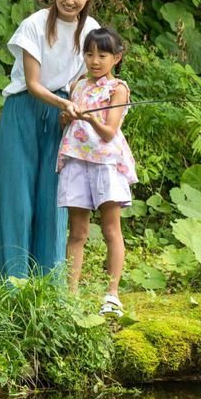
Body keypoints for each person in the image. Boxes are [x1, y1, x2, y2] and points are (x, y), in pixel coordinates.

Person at [0, 0, 100, 284]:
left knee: (53, 196)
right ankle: (9, 279)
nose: (70, 0)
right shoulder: (33, 24)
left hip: (60, 116)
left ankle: (48, 282)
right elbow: (33, 83)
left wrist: (80, 107)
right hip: (24, 109)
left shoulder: (90, 32)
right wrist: (65, 102)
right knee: (16, 194)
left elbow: (80, 80)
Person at [58, 27, 137, 313]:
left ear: (116, 57)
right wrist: (67, 116)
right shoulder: (78, 85)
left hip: (106, 165)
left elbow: (109, 132)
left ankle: (112, 295)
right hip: (77, 161)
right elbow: (65, 125)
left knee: (110, 230)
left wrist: (88, 119)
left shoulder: (118, 89)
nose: (94, 61)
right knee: (77, 232)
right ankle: (70, 297)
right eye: (89, 54)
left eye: (102, 55)